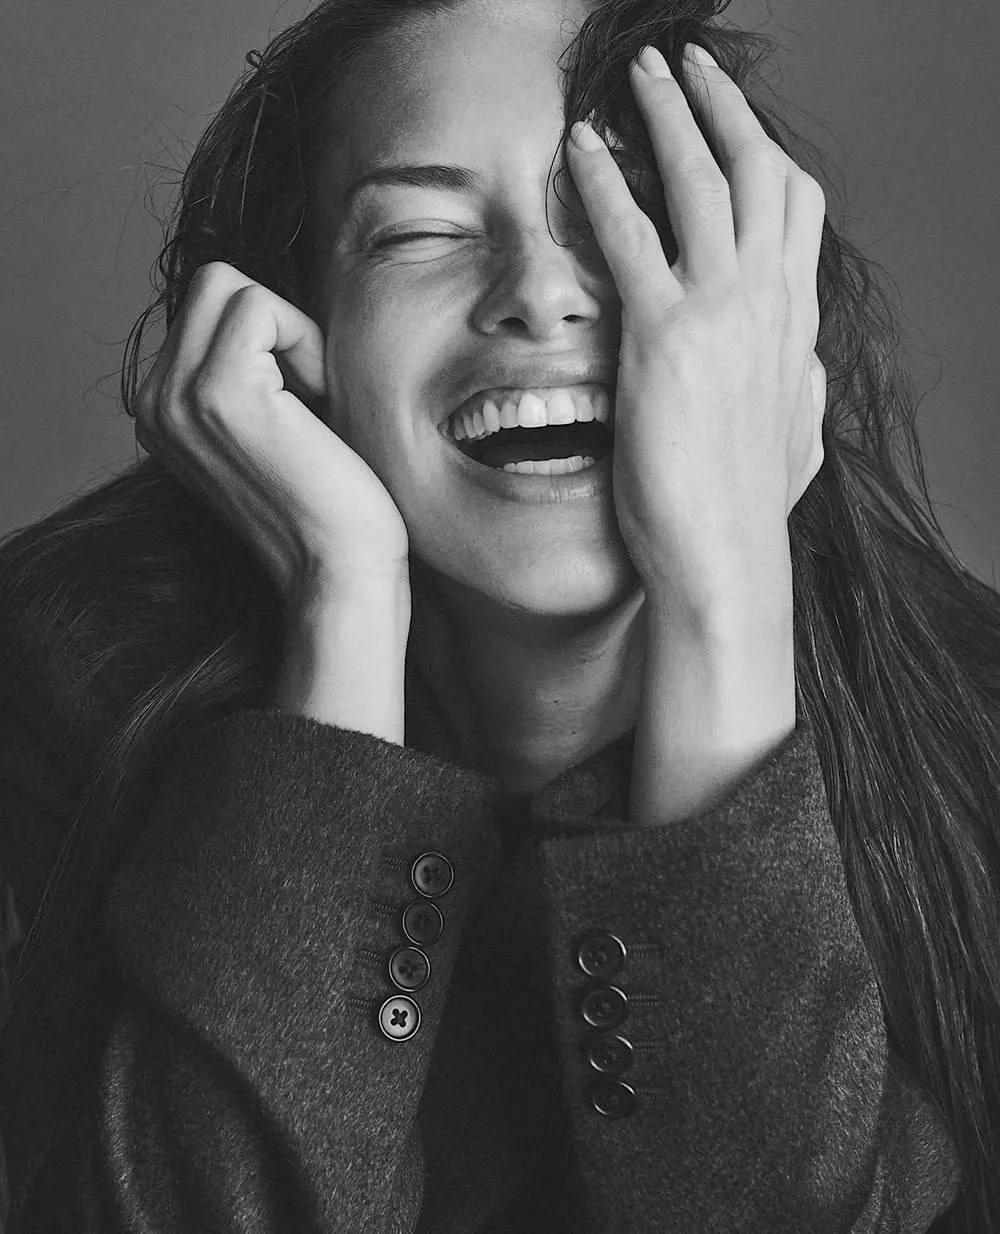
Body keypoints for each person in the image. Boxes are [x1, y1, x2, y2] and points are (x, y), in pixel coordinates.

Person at [0, 0, 997, 1228]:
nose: (540, 292)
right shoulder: (59, 690)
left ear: (767, 313)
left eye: (630, 221)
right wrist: (341, 601)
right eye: (417, 231)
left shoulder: (977, 739)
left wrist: (726, 587)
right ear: (293, 333)